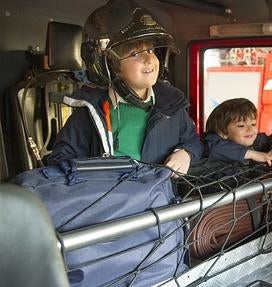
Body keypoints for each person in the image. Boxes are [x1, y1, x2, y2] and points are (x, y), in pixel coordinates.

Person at [47, 0, 202, 176]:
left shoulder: (172, 105)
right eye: (135, 54)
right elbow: (61, 160)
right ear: (112, 66)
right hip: (114, 200)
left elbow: (193, 141)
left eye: (151, 50)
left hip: (164, 199)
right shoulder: (89, 112)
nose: (149, 59)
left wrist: (186, 154)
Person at [203, 98, 272, 166]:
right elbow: (213, 147)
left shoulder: (253, 139)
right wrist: (253, 155)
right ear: (223, 132)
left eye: (253, 124)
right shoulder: (213, 142)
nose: (250, 129)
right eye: (241, 126)